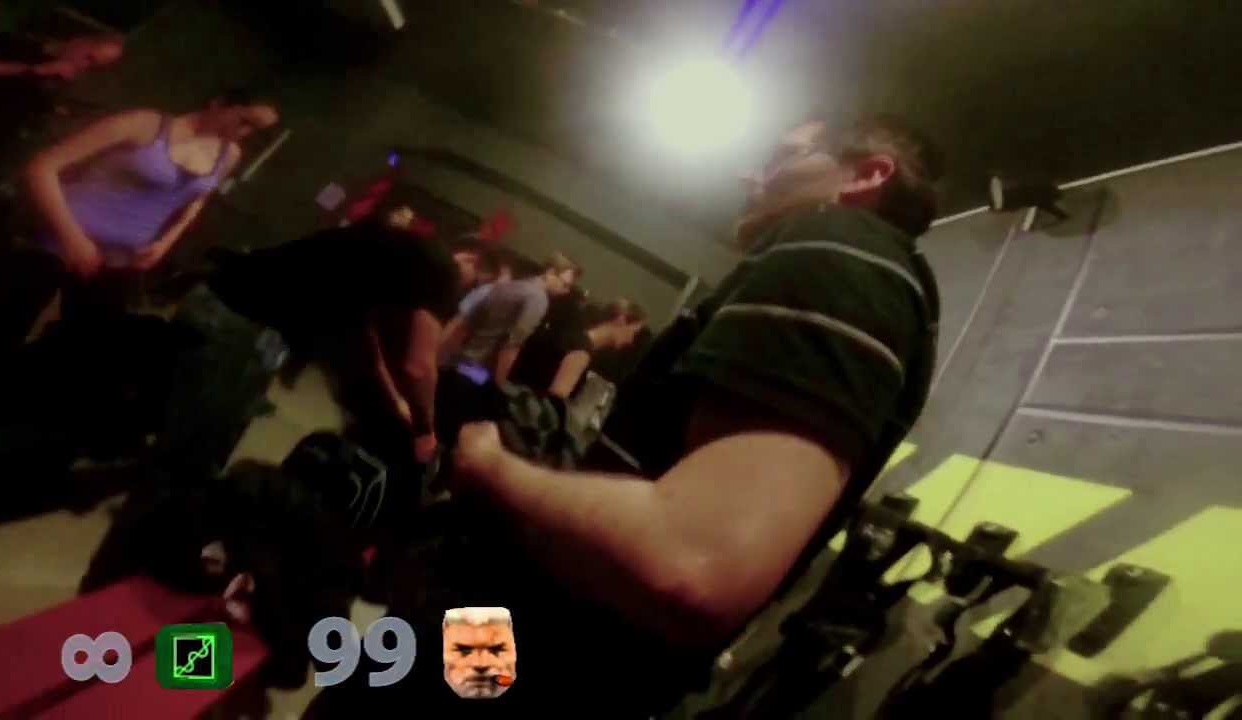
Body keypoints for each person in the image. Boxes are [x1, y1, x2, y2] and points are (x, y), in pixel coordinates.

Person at [307, 115, 943, 718]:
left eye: (785, 156)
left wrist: (490, 466)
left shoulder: (840, 251)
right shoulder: (869, 279)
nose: (752, 175)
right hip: (534, 648)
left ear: (867, 174)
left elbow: (692, 566)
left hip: (545, 660)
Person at [159, 207, 494, 476]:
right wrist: (425, 431)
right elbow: (417, 366)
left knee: (183, 442)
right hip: (242, 322)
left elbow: (366, 347)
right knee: (190, 458)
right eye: (479, 280)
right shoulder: (442, 271)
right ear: (470, 259)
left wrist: (396, 404)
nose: (471, 289)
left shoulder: (395, 256)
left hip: (221, 302)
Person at [0, 89, 279, 352]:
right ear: (219, 103)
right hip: (55, 239)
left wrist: (165, 242)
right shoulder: (143, 124)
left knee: (86, 345)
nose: (246, 132)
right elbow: (41, 167)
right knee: (0, 333)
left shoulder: (229, 154)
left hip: (121, 258)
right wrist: (73, 238)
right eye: (244, 120)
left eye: (256, 129)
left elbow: (198, 199)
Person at [0, 31, 125, 254]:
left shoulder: (56, 80)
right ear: (78, 41)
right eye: (88, 57)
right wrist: (29, 70)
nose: (84, 66)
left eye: (94, 67)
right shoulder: (10, 42)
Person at [440, 251, 582, 386]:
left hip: (460, 360)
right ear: (550, 272)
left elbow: (464, 325)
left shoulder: (516, 285)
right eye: (565, 284)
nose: (566, 291)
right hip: (478, 370)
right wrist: (498, 386)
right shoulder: (538, 299)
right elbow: (511, 345)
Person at [509, 297, 647, 399]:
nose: (631, 340)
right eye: (633, 333)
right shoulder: (580, 354)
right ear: (620, 320)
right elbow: (551, 406)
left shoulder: (572, 337)